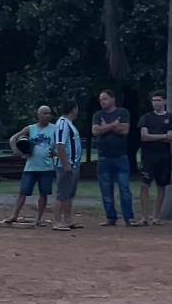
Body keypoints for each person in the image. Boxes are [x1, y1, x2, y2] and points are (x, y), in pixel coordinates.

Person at [4, 105, 58, 227]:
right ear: (38, 115)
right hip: (31, 166)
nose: (47, 116)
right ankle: (14, 215)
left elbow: (61, 144)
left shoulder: (55, 129)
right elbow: (13, 138)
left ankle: (38, 219)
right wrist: (16, 150)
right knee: (23, 192)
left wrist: (56, 152)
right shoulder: (31, 128)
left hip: (47, 167)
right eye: (44, 113)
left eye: (49, 113)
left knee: (43, 193)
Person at [91, 89, 137, 226]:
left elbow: (125, 130)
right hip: (103, 157)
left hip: (120, 157)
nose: (102, 102)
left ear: (113, 99)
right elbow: (95, 131)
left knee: (124, 189)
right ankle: (111, 217)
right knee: (106, 189)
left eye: (105, 98)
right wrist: (113, 125)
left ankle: (129, 217)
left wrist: (105, 127)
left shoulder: (123, 112)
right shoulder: (98, 114)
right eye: (101, 99)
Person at [138, 91, 171, 226]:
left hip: (164, 157)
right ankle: (145, 216)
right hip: (148, 157)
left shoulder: (170, 117)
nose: (155, 103)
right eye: (153, 100)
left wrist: (154, 137)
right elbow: (144, 137)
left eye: (158, 100)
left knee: (161, 186)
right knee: (144, 185)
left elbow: (170, 138)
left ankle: (156, 217)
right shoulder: (146, 117)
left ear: (164, 101)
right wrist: (163, 136)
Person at [52, 101, 83, 231]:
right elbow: (60, 145)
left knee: (69, 194)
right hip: (66, 165)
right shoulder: (63, 124)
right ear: (74, 109)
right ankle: (57, 221)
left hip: (73, 164)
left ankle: (68, 219)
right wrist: (65, 164)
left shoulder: (69, 124)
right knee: (62, 193)